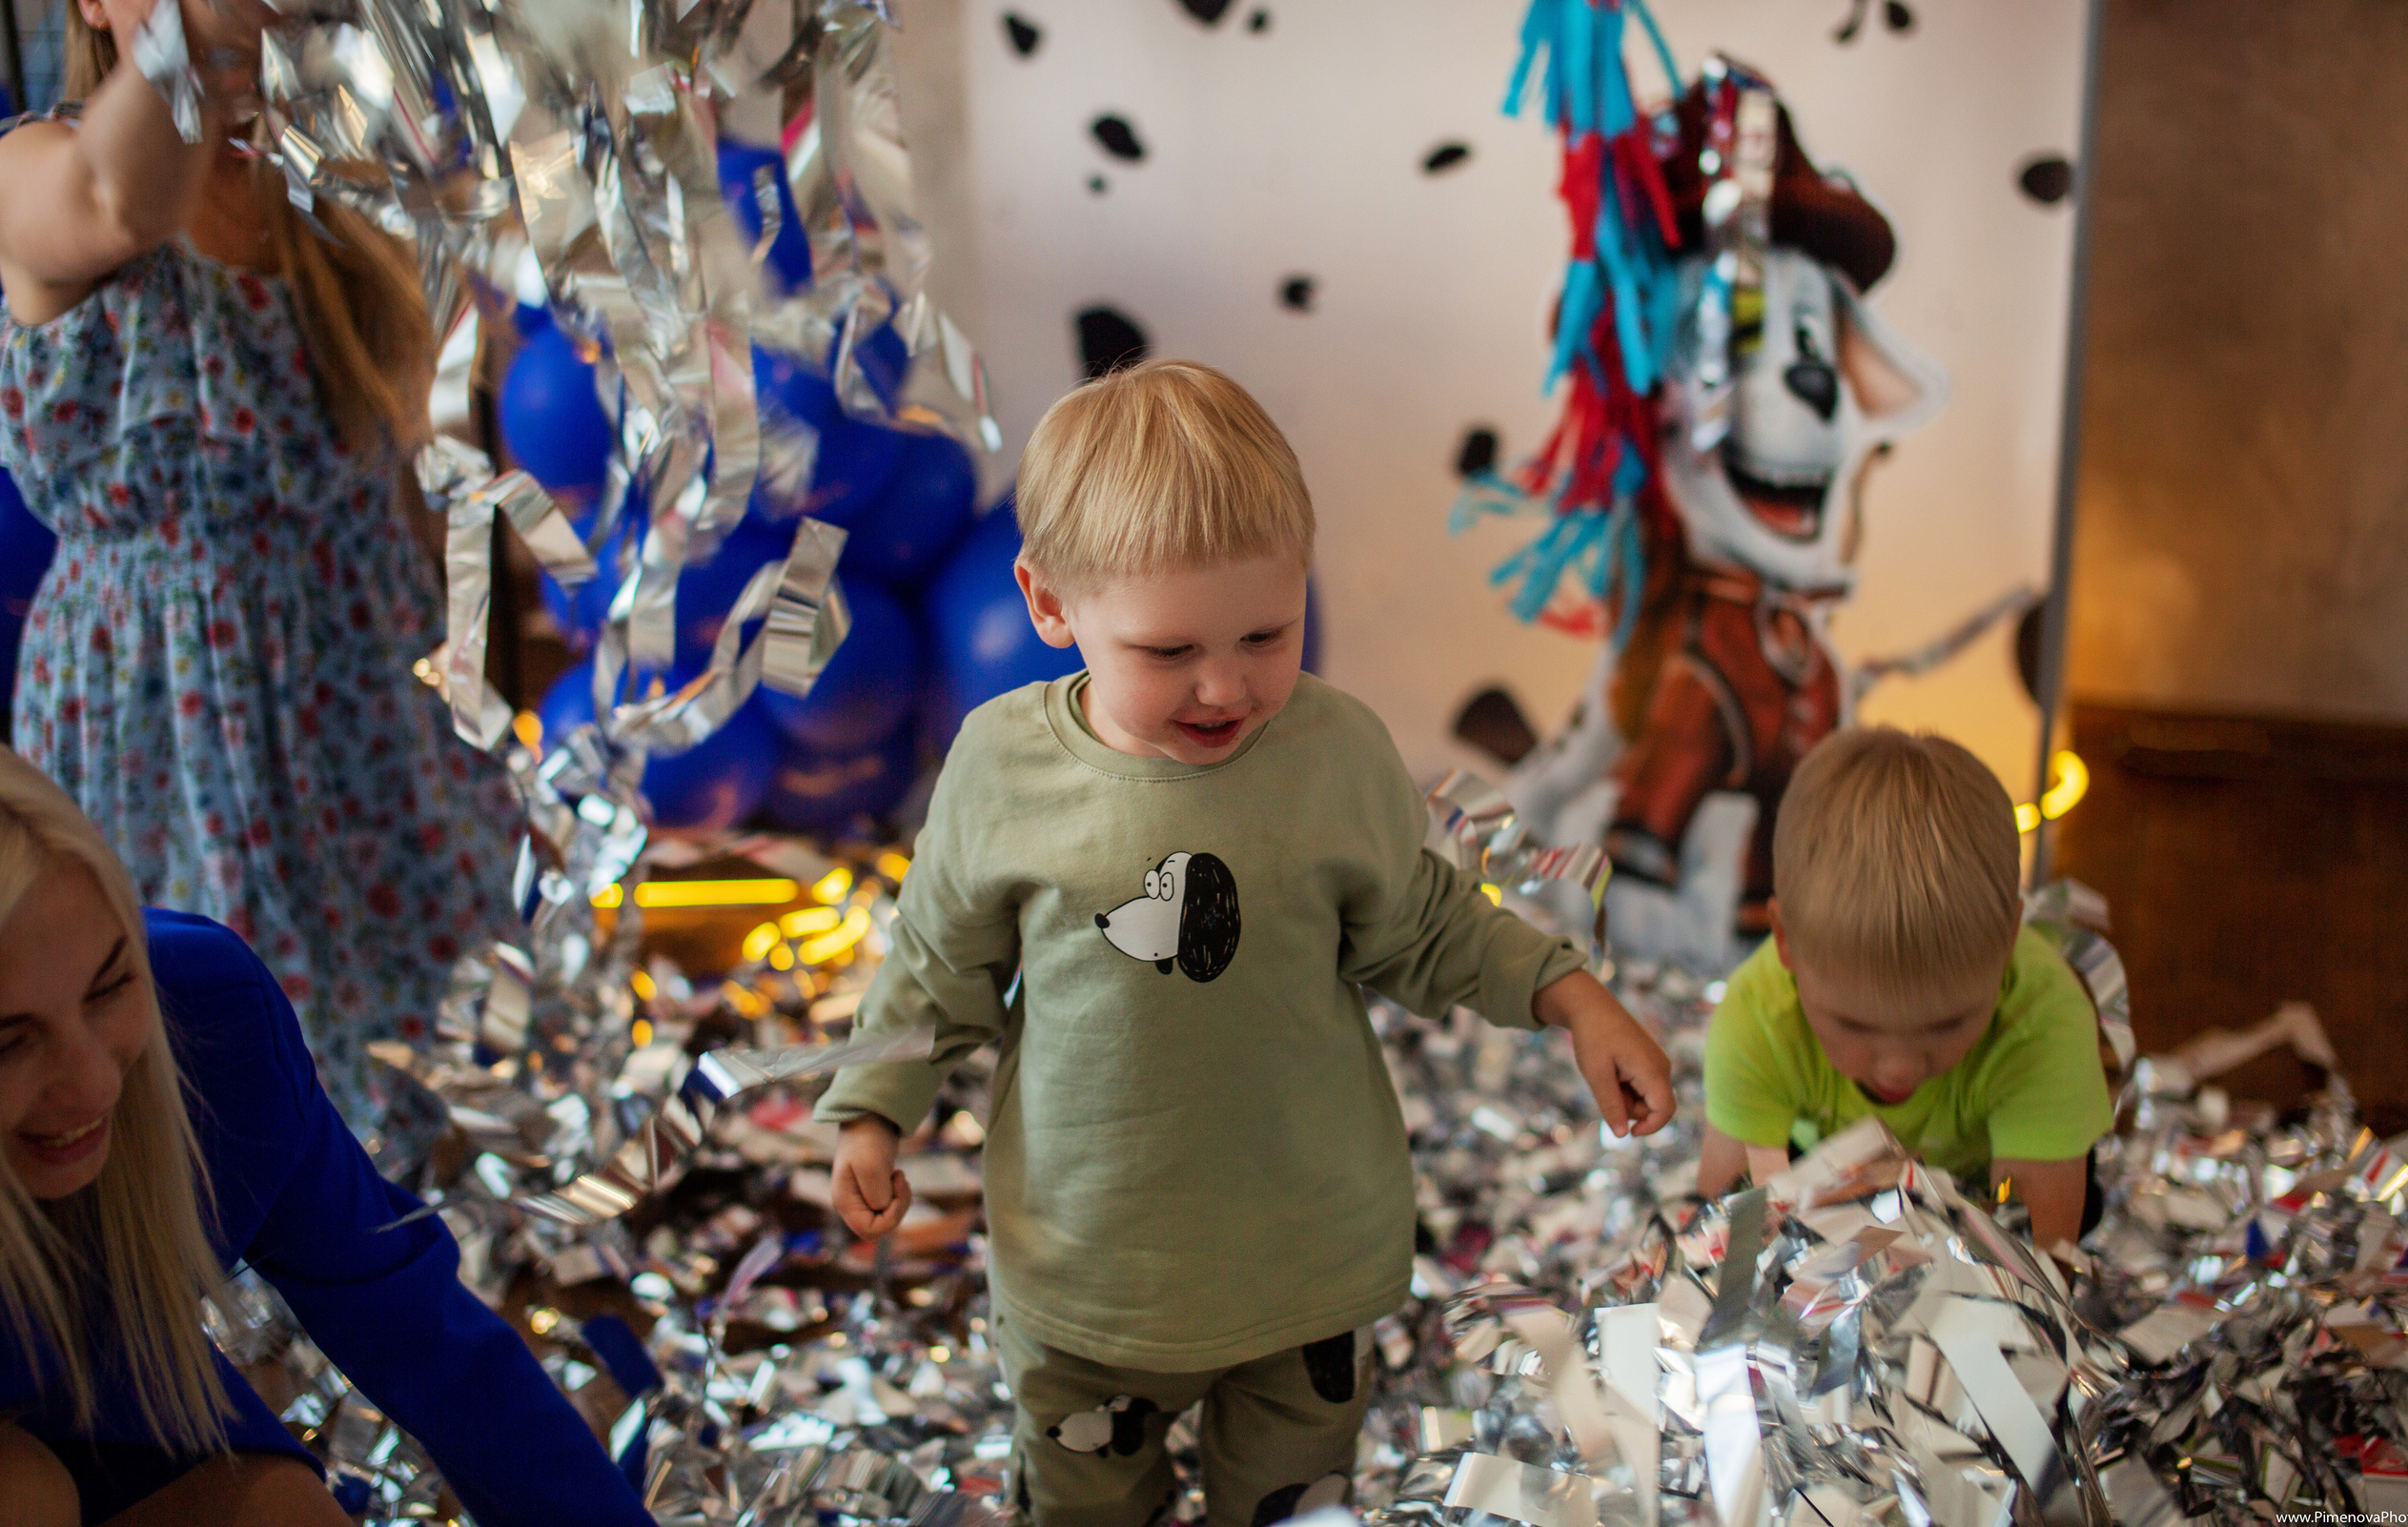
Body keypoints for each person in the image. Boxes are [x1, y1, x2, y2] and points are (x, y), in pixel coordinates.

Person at [815, 359, 1679, 1527]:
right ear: (1050, 604)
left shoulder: (1333, 754)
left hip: (1300, 1282)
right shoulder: (1001, 767)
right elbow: (937, 962)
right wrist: (873, 1106)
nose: (1225, 685)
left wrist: (1571, 996)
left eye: (1266, 634)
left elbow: (1422, 923)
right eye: (1168, 653)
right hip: (1083, 1286)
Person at [0, 0, 518, 1127]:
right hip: (164, 695)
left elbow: (402, 463)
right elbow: (117, 205)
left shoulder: (330, 188)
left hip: (364, 681)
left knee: (411, 1049)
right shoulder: (30, 164)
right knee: (215, 1058)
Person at [0, 746, 655, 1527]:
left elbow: (421, 1332)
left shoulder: (207, 1019)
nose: (93, 1085)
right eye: (9, 1039)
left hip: (112, 1399)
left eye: (111, 985)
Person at [1694, 725, 2113, 1248]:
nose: (1899, 1068)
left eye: (1947, 1024)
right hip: (1823, 1170)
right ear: (1785, 944)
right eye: (1854, 1024)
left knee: (2074, 1211)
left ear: (2008, 943)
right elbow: (1725, 1224)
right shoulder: (1756, 1017)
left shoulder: (2043, 1024)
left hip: (1981, 1179)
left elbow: (2042, 1263)